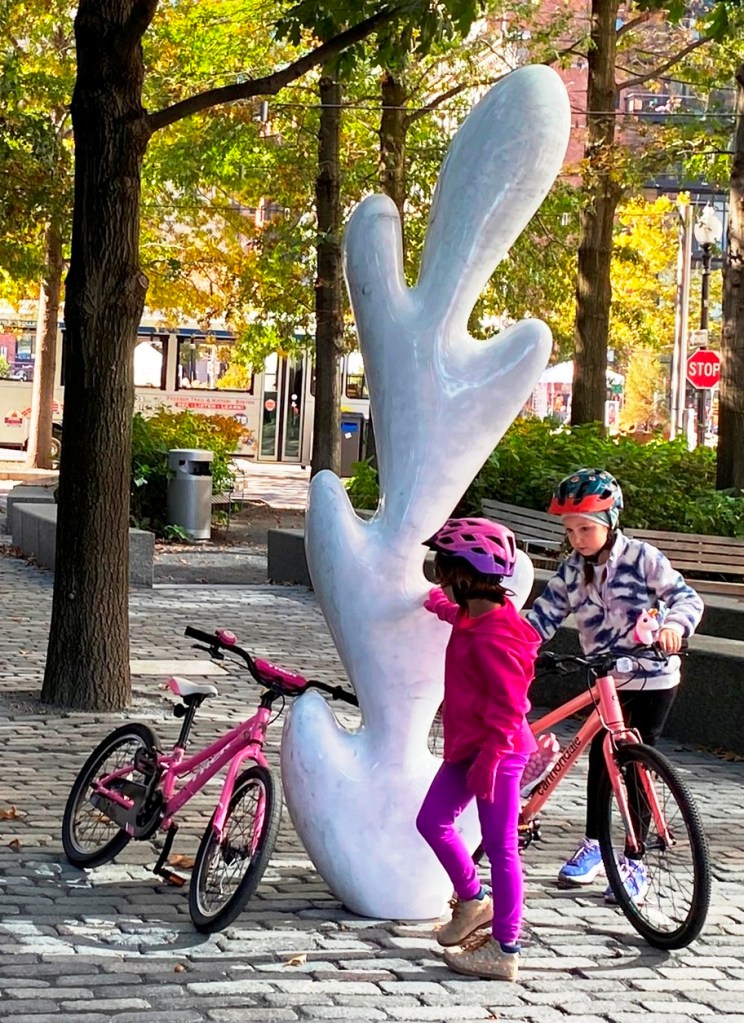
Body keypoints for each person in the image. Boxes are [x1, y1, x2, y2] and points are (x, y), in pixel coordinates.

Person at [526, 468, 704, 902]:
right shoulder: (572, 571)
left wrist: (673, 627)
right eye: (570, 531)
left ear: (610, 522)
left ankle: (634, 859)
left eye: (586, 529)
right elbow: (543, 616)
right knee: (600, 761)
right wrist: (510, 647)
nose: (578, 539)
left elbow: (685, 598)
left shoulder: (643, 559)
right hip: (608, 678)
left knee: (636, 764)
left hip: (653, 675)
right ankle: (594, 842)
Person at [416, 518, 542, 982]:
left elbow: (510, 709)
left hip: (498, 752)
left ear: (467, 576)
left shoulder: (498, 637)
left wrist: (489, 762)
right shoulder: (475, 614)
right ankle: (472, 901)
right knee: (431, 821)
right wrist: (438, 606)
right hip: (470, 746)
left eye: (444, 574)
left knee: (501, 846)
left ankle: (506, 948)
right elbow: (461, 621)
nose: (440, 581)